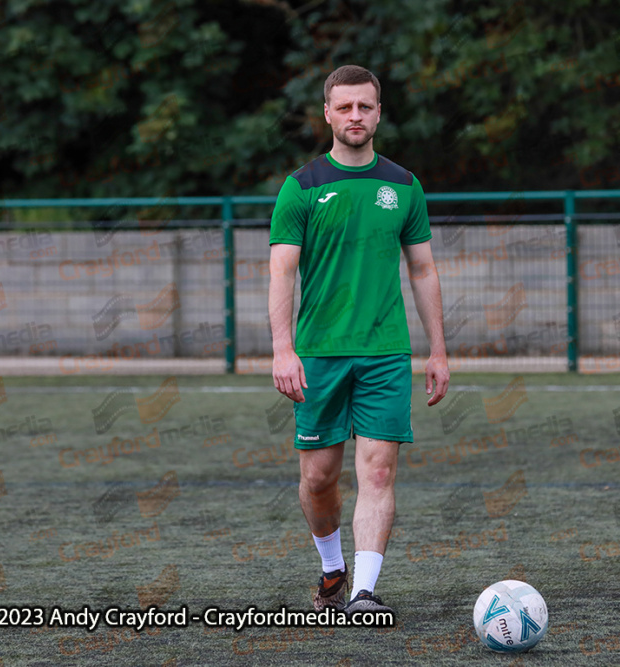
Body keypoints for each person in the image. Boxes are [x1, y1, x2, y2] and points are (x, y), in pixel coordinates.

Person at [268, 65, 449, 616]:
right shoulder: (301, 188)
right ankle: (332, 570)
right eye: (344, 107)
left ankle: (366, 592)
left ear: (378, 112)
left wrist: (438, 349)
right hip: (319, 352)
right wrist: (282, 348)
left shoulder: (403, 185)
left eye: (364, 107)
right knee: (318, 478)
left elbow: (422, 271)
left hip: (385, 352)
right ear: (327, 113)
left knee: (377, 470)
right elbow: (280, 273)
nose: (354, 116)